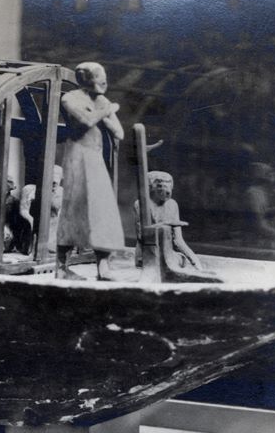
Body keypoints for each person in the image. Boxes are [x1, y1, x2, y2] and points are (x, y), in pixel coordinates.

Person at [55, 62, 126, 281]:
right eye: (99, 76)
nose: (104, 81)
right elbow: (85, 121)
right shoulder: (70, 98)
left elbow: (119, 133)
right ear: (85, 79)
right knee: (72, 208)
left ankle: (103, 268)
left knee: (101, 211)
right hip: (77, 156)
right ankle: (61, 268)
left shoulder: (101, 101)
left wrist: (105, 113)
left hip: (95, 158)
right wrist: (107, 110)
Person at [134, 171, 203, 270]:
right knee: (171, 262)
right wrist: (165, 224)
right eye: (160, 186)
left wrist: (195, 260)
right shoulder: (141, 204)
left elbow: (178, 240)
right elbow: (142, 236)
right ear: (150, 188)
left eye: (168, 186)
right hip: (146, 255)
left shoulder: (172, 205)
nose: (167, 191)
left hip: (166, 253)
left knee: (181, 260)